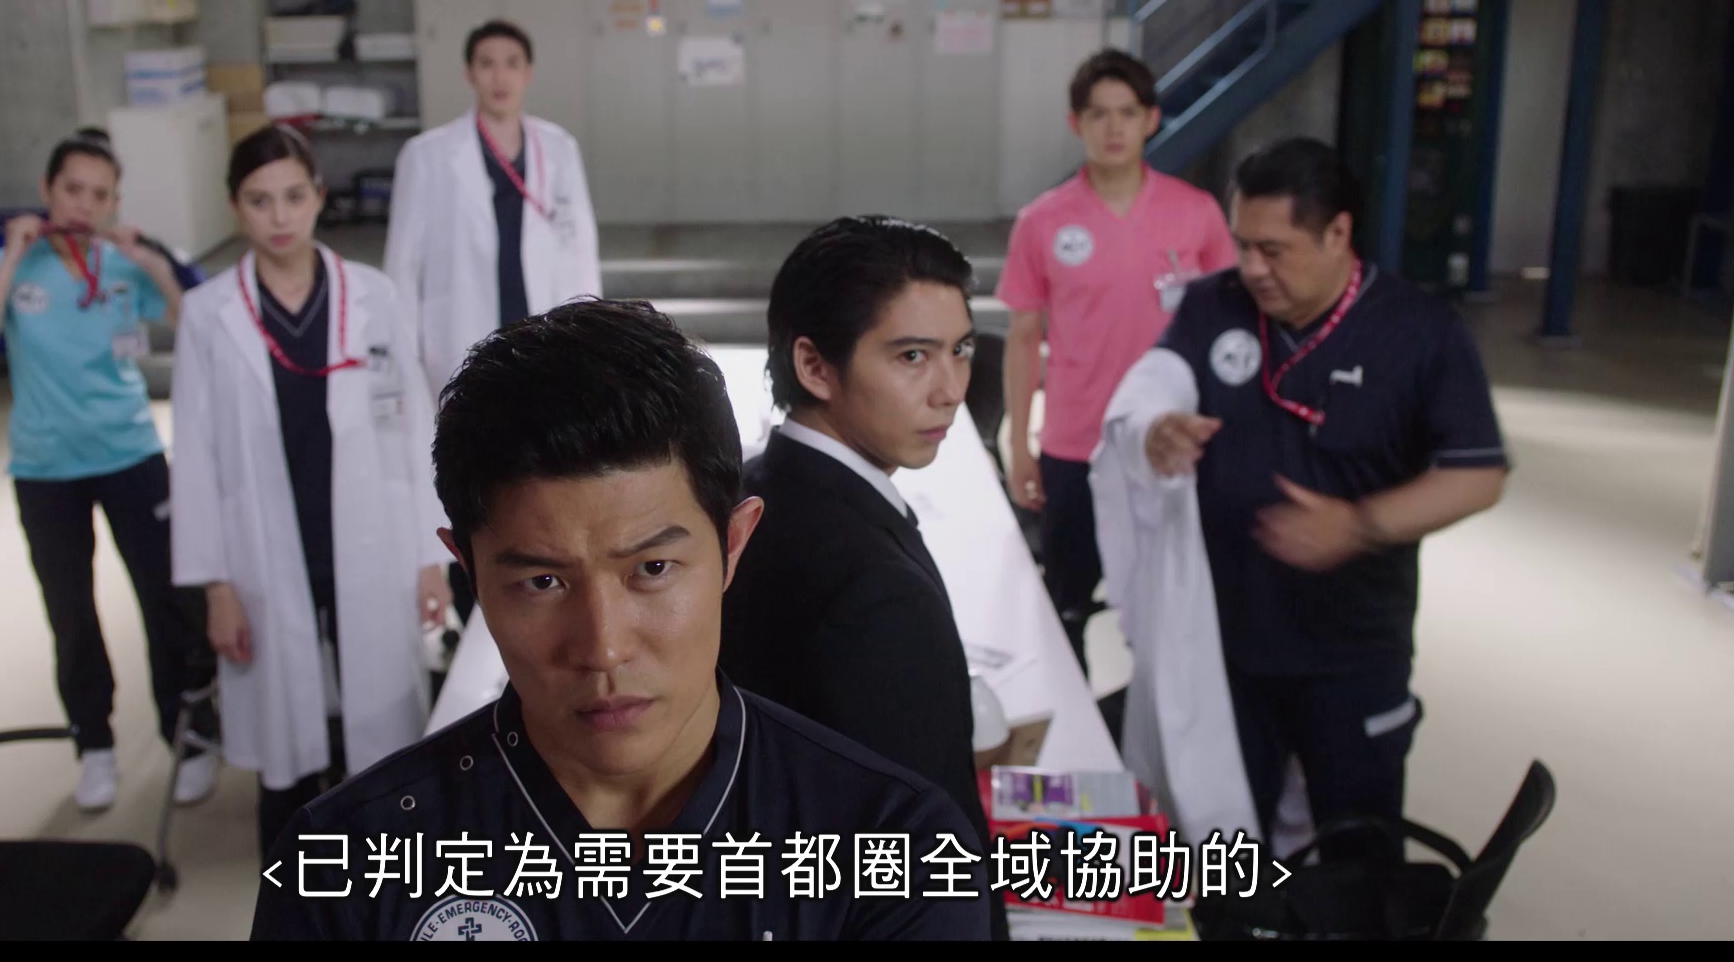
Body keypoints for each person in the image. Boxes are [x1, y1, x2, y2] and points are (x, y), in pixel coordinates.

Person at [250, 300, 992, 941]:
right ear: (469, 571)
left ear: (732, 547)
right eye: (542, 581)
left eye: (653, 570)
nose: (603, 647)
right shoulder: (345, 866)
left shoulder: (896, 851)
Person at [1139, 137, 1508, 851]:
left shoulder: (1419, 333)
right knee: (1226, 846)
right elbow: (1155, 381)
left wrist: (1361, 524)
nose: (1252, 268)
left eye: (1273, 250)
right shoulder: (1215, 305)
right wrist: (1152, 427)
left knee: (1356, 850)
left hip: (1350, 655)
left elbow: (1477, 475)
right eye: (1243, 245)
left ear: (1338, 233)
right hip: (1227, 646)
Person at [169, 124, 453, 861]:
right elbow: (194, 454)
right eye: (260, 201)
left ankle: (385, 865)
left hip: (370, 534)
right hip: (266, 544)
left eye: (294, 196)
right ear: (235, 207)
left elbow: (415, 429)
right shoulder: (208, 314)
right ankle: (295, 873)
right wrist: (216, 587)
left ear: (319, 197)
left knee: (379, 711)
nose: (280, 216)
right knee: (288, 720)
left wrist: (430, 557)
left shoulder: (374, 296)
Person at [718, 216, 1006, 939]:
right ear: (815, 366)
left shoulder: (752, 492)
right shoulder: (874, 588)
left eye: (961, 350)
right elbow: (924, 852)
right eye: (912, 356)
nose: (950, 390)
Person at [0, 127, 219, 813]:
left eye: (100, 195)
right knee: (70, 612)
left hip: (131, 453)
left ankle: (187, 738)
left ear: (114, 203)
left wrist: (151, 261)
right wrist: (12, 259)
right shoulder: (7, 263)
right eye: (73, 189)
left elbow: (199, 325)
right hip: (45, 466)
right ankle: (93, 743)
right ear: (47, 190)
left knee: (168, 600)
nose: (84, 205)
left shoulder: (121, 263)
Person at [996, 49, 1239, 675]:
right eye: (1098, 114)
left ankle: (1154, 729)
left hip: (1173, 443)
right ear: (1076, 123)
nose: (1113, 128)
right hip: (1077, 445)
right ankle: (1073, 725)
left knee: (1174, 613)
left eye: (1127, 113)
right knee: (1066, 608)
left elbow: (1230, 334)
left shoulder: (1196, 213)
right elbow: (1023, 338)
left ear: (1151, 119)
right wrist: (1021, 445)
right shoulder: (1043, 221)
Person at [383, 17, 602, 640]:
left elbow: (581, 251)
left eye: (511, 63)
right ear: (469, 74)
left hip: (542, 350)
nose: (499, 76)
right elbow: (402, 267)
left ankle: (536, 602)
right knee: (473, 480)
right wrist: (402, 358)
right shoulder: (428, 155)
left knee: (543, 479)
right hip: (458, 349)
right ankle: (472, 604)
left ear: (527, 73)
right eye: (486, 63)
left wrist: (591, 343)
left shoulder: (557, 149)